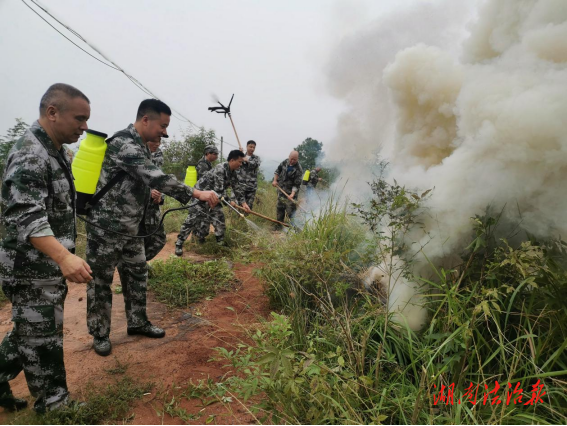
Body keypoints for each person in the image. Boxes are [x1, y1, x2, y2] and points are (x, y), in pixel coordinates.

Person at [86, 99, 218, 357]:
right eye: (163, 125)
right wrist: (196, 193)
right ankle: (100, 333)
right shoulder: (124, 144)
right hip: (106, 228)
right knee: (100, 282)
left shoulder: (142, 147)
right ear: (146, 119)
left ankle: (137, 321)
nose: (165, 133)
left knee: (137, 274)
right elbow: (154, 176)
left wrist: (157, 198)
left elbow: (143, 186)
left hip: (132, 227)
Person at [0, 83, 93, 413]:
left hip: (44, 265)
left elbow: (58, 202)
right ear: (52, 112)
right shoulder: (30, 153)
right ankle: (54, 405)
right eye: (79, 119)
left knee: (30, 330)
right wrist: (64, 256)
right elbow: (26, 212)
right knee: (42, 338)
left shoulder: (56, 151)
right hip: (30, 265)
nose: (84, 127)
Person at [175, 150, 250, 256]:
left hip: (214, 197)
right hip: (201, 195)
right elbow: (219, 190)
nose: (241, 164)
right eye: (240, 161)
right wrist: (230, 201)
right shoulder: (220, 168)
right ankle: (179, 243)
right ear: (232, 160)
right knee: (192, 219)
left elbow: (237, 188)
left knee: (219, 219)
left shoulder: (233, 171)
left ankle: (220, 243)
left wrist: (243, 203)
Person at [140, 137, 167, 261]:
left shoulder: (158, 155)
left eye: (159, 142)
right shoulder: (136, 153)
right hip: (137, 209)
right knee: (138, 240)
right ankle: (137, 266)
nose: (157, 144)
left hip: (152, 208)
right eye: (153, 141)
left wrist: (160, 197)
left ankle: (138, 264)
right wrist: (147, 192)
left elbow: (159, 180)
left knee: (158, 239)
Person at [272, 151, 303, 230]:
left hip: (291, 193)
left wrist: (292, 194)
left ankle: (292, 228)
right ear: (289, 157)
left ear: (297, 159)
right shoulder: (285, 162)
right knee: (280, 208)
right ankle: (279, 225)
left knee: (290, 211)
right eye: (291, 159)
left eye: (294, 160)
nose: (292, 161)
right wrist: (275, 180)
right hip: (281, 190)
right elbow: (277, 171)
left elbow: (297, 184)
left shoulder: (298, 169)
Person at [237, 140, 261, 210]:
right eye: (250, 147)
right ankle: (237, 219)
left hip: (251, 187)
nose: (252, 149)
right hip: (241, 185)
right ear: (246, 147)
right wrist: (239, 154)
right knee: (239, 205)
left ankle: (245, 219)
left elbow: (255, 165)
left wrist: (247, 160)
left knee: (248, 206)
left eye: (254, 147)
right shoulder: (241, 156)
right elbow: (235, 163)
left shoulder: (256, 158)